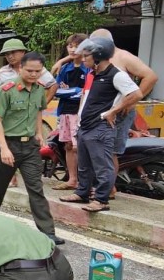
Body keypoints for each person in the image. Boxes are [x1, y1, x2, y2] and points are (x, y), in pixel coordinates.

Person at [0, 52, 63, 245]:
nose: (33, 75)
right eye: (29, 70)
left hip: (29, 146)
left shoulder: (38, 90)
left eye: (38, 71)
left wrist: (38, 133)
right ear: (21, 68)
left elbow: (38, 111)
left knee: (35, 188)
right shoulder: (7, 89)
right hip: (8, 144)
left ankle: (48, 232)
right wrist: (4, 149)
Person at [60, 37, 141, 212]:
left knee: (102, 166)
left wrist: (113, 111)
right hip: (86, 126)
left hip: (100, 127)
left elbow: (136, 94)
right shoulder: (93, 74)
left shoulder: (116, 74)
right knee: (85, 164)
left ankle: (101, 200)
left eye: (86, 56)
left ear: (98, 56)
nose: (83, 59)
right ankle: (82, 193)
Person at [89, 28, 158, 183]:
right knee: (98, 150)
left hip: (119, 113)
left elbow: (151, 77)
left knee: (110, 152)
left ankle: (108, 189)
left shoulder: (122, 56)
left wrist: (131, 100)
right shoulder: (98, 58)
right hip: (101, 112)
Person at [50, 33, 91, 192]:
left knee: (78, 147)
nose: (73, 50)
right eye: (70, 46)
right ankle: (72, 179)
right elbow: (56, 88)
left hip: (80, 113)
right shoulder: (64, 67)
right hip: (64, 111)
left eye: (77, 46)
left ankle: (84, 181)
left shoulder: (88, 68)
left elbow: (84, 92)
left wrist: (69, 92)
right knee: (68, 145)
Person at [0, 38, 57, 103]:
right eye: (7, 54)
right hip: (9, 110)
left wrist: (44, 103)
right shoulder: (3, 71)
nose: (10, 56)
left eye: (13, 52)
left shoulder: (36, 68)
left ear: (23, 52)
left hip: (30, 110)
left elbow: (53, 85)